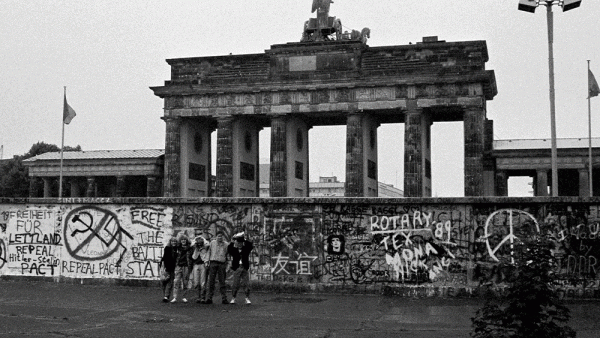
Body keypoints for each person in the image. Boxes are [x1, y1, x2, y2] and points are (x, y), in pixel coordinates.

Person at [227, 231, 253, 304]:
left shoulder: (246, 249)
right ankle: (233, 297)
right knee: (235, 284)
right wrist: (233, 240)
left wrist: (243, 238)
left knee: (246, 284)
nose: (239, 244)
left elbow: (250, 245)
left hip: (244, 267)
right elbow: (229, 248)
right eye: (238, 243)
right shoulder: (234, 250)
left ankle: (247, 298)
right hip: (237, 267)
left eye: (240, 243)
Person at [203, 231, 229, 304]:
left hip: (222, 263)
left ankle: (224, 298)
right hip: (213, 262)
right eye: (218, 236)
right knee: (211, 281)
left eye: (221, 236)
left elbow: (227, 254)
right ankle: (209, 298)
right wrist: (206, 261)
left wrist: (228, 264)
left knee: (222, 281)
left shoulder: (226, 245)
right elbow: (208, 252)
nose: (220, 237)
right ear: (216, 236)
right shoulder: (212, 243)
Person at [170, 235, 192, 303]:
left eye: (184, 240)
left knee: (185, 282)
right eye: (182, 240)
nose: (183, 241)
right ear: (180, 241)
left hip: (186, 266)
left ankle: (184, 297)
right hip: (178, 266)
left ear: (186, 241)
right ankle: (174, 297)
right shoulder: (178, 248)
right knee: (176, 281)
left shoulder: (190, 248)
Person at [189, 235, 210, 303]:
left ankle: (202, 298)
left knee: (203, 282)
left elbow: (207, 244)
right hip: (196, 265)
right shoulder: (194, 248)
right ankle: (198, 297)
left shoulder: (205, 247)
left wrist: (202, 239)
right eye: (198, 243)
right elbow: (191, 245)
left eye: (200, 243)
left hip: (203, 265)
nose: (199, 245)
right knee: (196, 282)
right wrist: (196, 240)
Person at [159, 237, 179, 302]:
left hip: (173, 268)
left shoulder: (177, 249)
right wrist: (164, 267)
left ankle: (166, 296)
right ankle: (165, 295)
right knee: (163, 281)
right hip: (166, 267)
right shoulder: (167, 248)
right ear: (170, 242)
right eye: (172, 241)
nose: (174, 243)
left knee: (169, 282)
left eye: (175, 242)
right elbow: (165, 258)